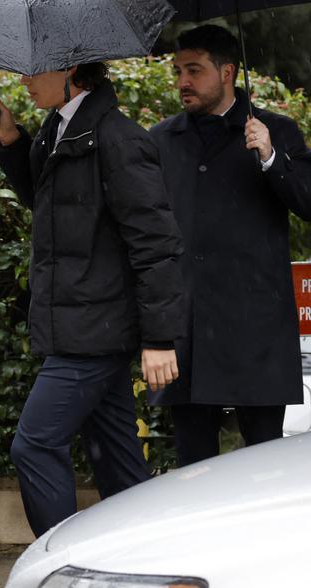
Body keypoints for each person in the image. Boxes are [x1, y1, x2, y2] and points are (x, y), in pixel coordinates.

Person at [0, 63, 185, 537]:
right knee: (118, 462)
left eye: (33, 71)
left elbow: (155, 244)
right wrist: (12, 142)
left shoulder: (118, 139)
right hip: (83, 327)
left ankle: (63, 567)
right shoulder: (61, 129)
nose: (24, 80)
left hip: (95, 331)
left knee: (33, 445)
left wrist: (159, 337)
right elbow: (51, 206)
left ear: (71, 68)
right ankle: (147, 559)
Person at [149, 25, 311, 465]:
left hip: (255, 331)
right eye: (178, 70)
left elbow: (308, 203)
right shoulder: (161, 139)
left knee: (265, 466)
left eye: (195, 70)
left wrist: (271, 158)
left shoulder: (275, 130)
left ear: (227, 72)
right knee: (192, 469)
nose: (183, 81)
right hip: (190, 333)